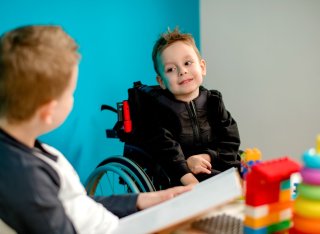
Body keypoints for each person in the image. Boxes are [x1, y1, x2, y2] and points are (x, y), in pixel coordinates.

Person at [0, 25, 191, 234]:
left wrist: (141, 200)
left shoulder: (23, 148)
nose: (72, 99)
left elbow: (76, 205)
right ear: (48, 112)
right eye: (70, 93)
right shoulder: (27, 180)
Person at [138, 27, 241, 186]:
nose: (182, 71)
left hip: (215, 163)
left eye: (187, 63)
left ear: (202, 67)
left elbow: (230, 139)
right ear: (161, 82)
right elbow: (166, 151)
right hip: (178, 175)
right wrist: (189, 175)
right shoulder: (160, 111)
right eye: (171, 69)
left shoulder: (213, 101)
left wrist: (207, 158)